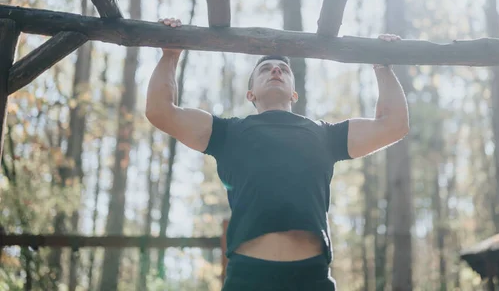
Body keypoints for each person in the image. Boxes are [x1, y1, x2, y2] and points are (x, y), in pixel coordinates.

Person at [145, 18, 410, 291]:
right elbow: (161, 111)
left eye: (283, 69)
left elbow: (394, 125)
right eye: (265, 69)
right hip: (248, 278)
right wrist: (171, 54)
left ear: (294, 94)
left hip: (312, 278)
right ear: (251, 94)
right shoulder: (228, 133)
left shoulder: (324, 135)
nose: (275, 71)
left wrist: (382, 65)